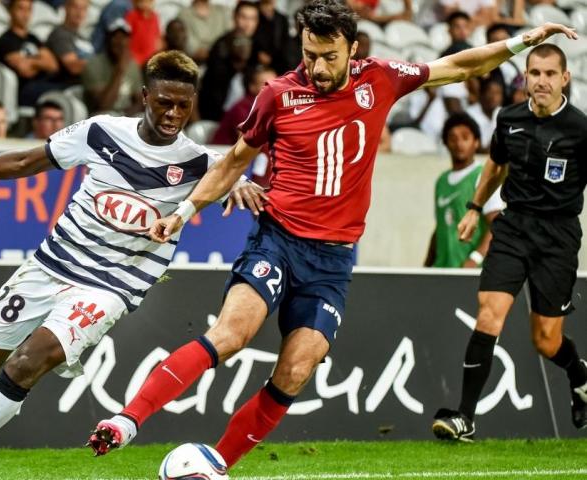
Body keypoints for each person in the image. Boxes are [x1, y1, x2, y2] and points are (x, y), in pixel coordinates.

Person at [88, 0, 576, 468]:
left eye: (329, 57)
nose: (317, 68)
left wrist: (519, 44)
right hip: (277, 240)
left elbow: (459, 65)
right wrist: (187, 209)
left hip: (333, 261)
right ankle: (128, 420)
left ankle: (217, 464)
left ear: (353, 49)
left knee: (297, 369)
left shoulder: (380, 79)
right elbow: (235, 160)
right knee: (232, 333)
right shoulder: (278, 94)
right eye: (309, 55)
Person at [0, 51, 263, 480]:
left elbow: (239, 181)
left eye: (183, 106)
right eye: (164, 102)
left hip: (110, 285)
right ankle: (48, 360)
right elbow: (24, 162)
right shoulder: (101, 132)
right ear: (144, 96)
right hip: (52, 264)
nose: (173, 114)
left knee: (25, 364)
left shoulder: (200, 164)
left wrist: (246, 188)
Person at [432, 43, 587, 441]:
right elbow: (496, 164)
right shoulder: (510, 118)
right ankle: (465, 417)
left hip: (558, 235)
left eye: (550, 74)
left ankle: (579, 374)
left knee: (546, 340)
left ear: (565, 79)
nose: (542, 81)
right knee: (489, 313)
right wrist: (473, 207)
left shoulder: (580, 128)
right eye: (535, 73)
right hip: (514, 226)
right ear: (526, 78)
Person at [424, 113, 503, 268]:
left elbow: (497, 225)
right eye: (453, 138)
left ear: (476, 142)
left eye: (465, 137)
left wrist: (475, 258)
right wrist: (427, 266)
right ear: (445, 143)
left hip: (469, 271)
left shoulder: (482, 176)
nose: (459, 143)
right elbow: (441, 227)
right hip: (442, 269)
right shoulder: (441, 181)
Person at [198, 0, 258, 121]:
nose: (247, 24)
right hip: (218, 114)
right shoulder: (221, 45)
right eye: (243, 17)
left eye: (252, 19)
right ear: (234, 18)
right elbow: (214, 88)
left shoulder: (256, 46)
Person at [0, 0, 60, 106]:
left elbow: (53, 66)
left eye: (28, 9)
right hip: (22, 91)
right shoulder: (5, 40)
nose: (25, 14)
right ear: (10, 11)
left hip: (42, 85)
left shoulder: (33, 38)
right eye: (20, 9)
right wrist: (40, 60)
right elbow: (24, 70)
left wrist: (31, 62)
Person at [82, 18, 143, 115]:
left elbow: (140, 102)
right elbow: (103, 105)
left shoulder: (132, 65)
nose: (120, 42)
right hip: (100, 118)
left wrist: (124, 116)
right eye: (115, 37)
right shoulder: (93, 64)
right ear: (107, 40)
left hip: (125, 116)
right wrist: (120, 69)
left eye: (124, 37)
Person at [45, 0, 95, 86]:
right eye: (75, 7)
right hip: (65, 87)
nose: (79, 13)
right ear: (66, 8)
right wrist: (99, 65)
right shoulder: (60, 33)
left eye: (83, 9)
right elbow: (73, 67)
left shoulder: (83, 37)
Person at [176, 0, 232, 64]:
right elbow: (195, 51)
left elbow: (230, 40)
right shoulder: (183, 15)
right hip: (197, 65)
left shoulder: (222, 11)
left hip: (224, 64)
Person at [465, 78, 502, 151]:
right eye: (490, 92)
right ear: (481, 94)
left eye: (498, 93)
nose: (493, 96)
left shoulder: (501, 112)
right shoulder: (469, 114)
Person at [125, 0, 161, 65]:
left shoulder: (155, 16)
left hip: (151, 54)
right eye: (143, 2)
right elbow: (126, 35)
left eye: (148, 2)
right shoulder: (132, 15)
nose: (145, 4)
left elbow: (157, 34)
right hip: (135, 54)